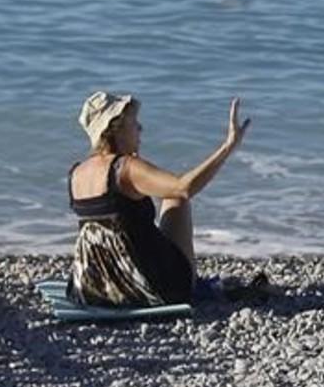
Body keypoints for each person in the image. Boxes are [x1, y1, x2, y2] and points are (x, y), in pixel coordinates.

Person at [66, 91, 250, 305]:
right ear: (116, 129)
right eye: (134, 123)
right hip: (143, 288)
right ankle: (186, 282)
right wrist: (227, 147)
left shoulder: (76, 173)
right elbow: (184, 188)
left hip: (92, 289)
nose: (140, 128)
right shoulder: (124, 168)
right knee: (174, 199)